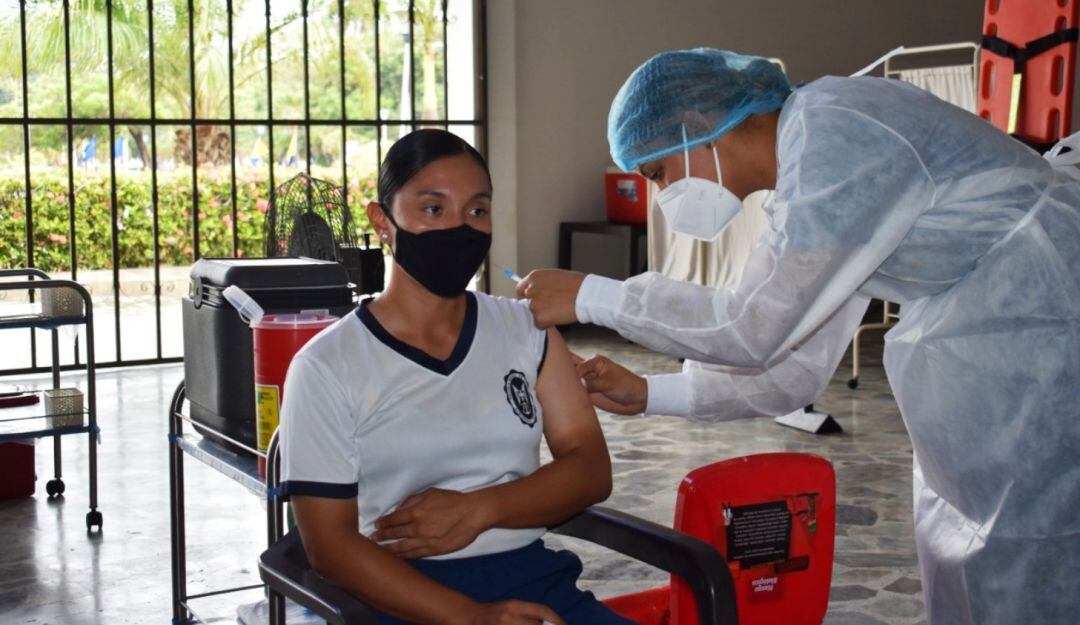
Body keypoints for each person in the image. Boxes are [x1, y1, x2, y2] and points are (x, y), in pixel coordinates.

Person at [517, 49, 1080, 625]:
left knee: (1036, 543)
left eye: (657, 172)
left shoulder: (837, 131)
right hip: (989, 331)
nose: (662, 196)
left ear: (699, 125)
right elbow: (795, 368)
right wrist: (654, 394)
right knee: (976, 540)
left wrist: (592, 296)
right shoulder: (808, 184)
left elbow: (749, 327)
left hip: (1046, 318)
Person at [279, 129, 634, 625]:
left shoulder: (526, 330)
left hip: (535, 582)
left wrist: (481, 509)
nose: (459, 228)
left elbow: (591, 468)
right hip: (397, 595)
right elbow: (330, 547)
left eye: (477, 211)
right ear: (382, 221)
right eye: (433, 209)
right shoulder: (326, 366)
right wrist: (471, 617)